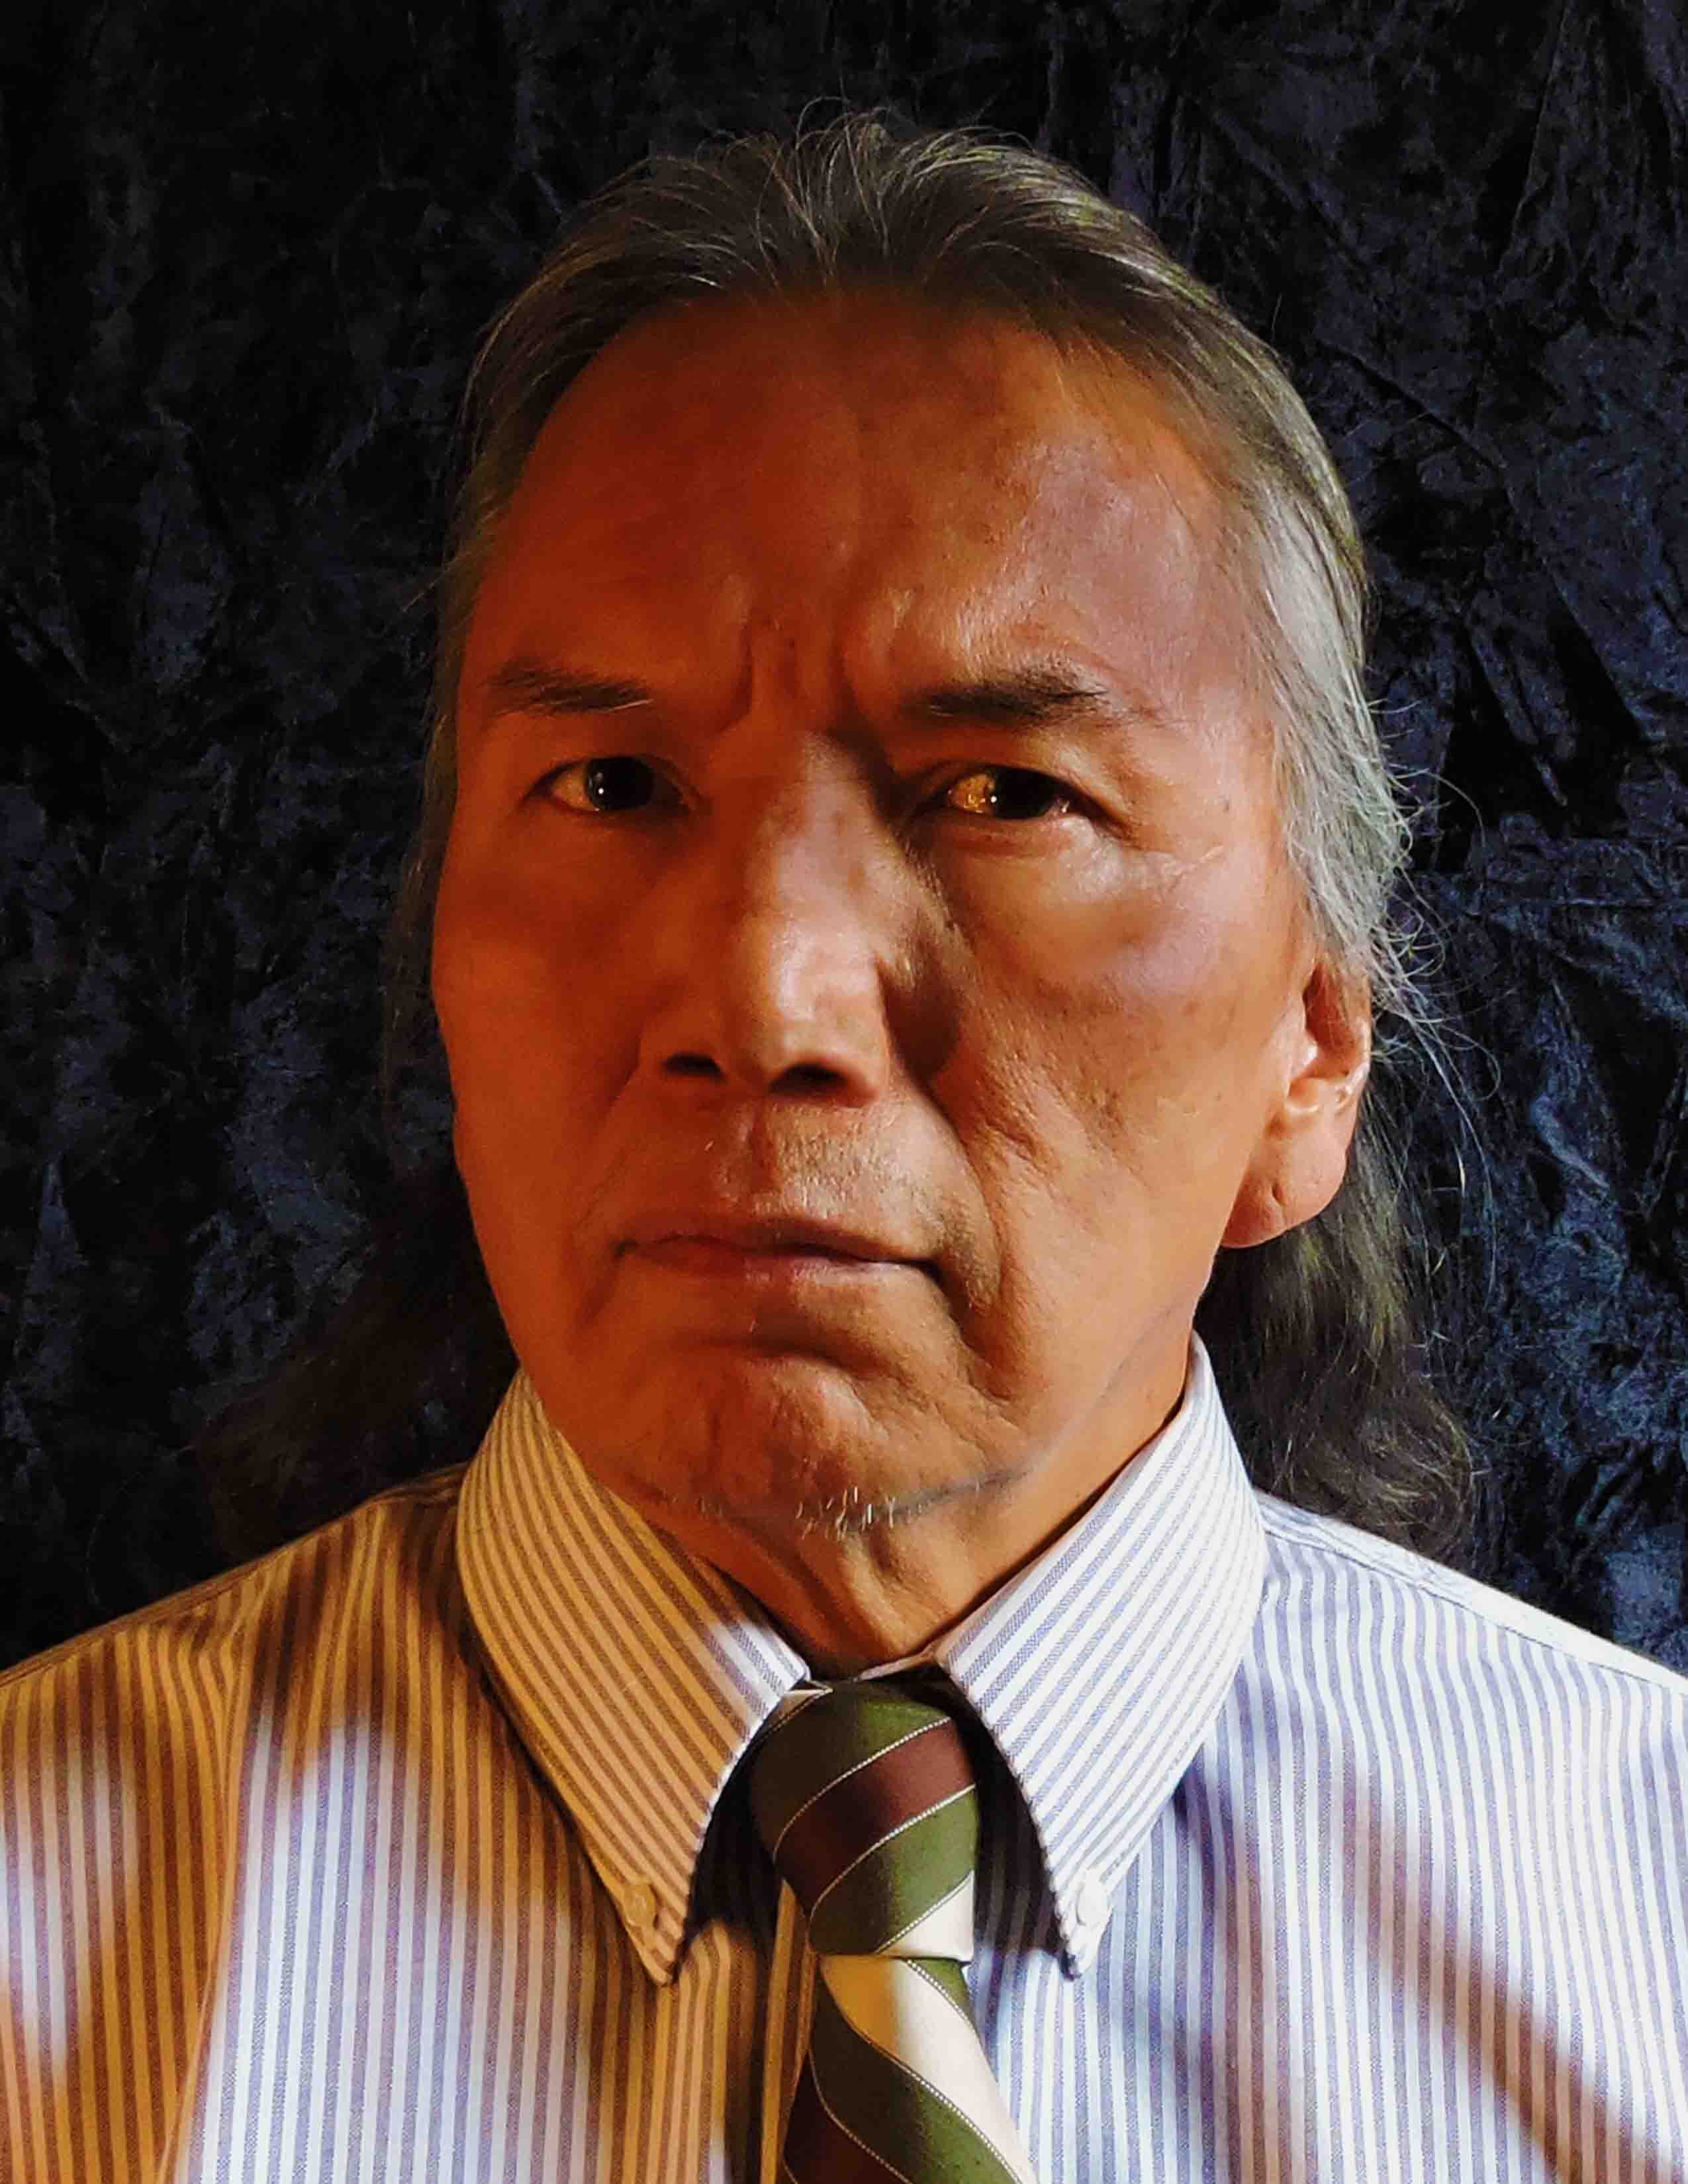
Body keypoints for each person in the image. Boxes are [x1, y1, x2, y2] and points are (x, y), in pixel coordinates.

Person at [2, 113, 1684, 2184]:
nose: (765, 995)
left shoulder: (1652, 1949)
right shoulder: (37, 1942)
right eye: (610, 784)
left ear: (1313, 1050)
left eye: (1004, 793)